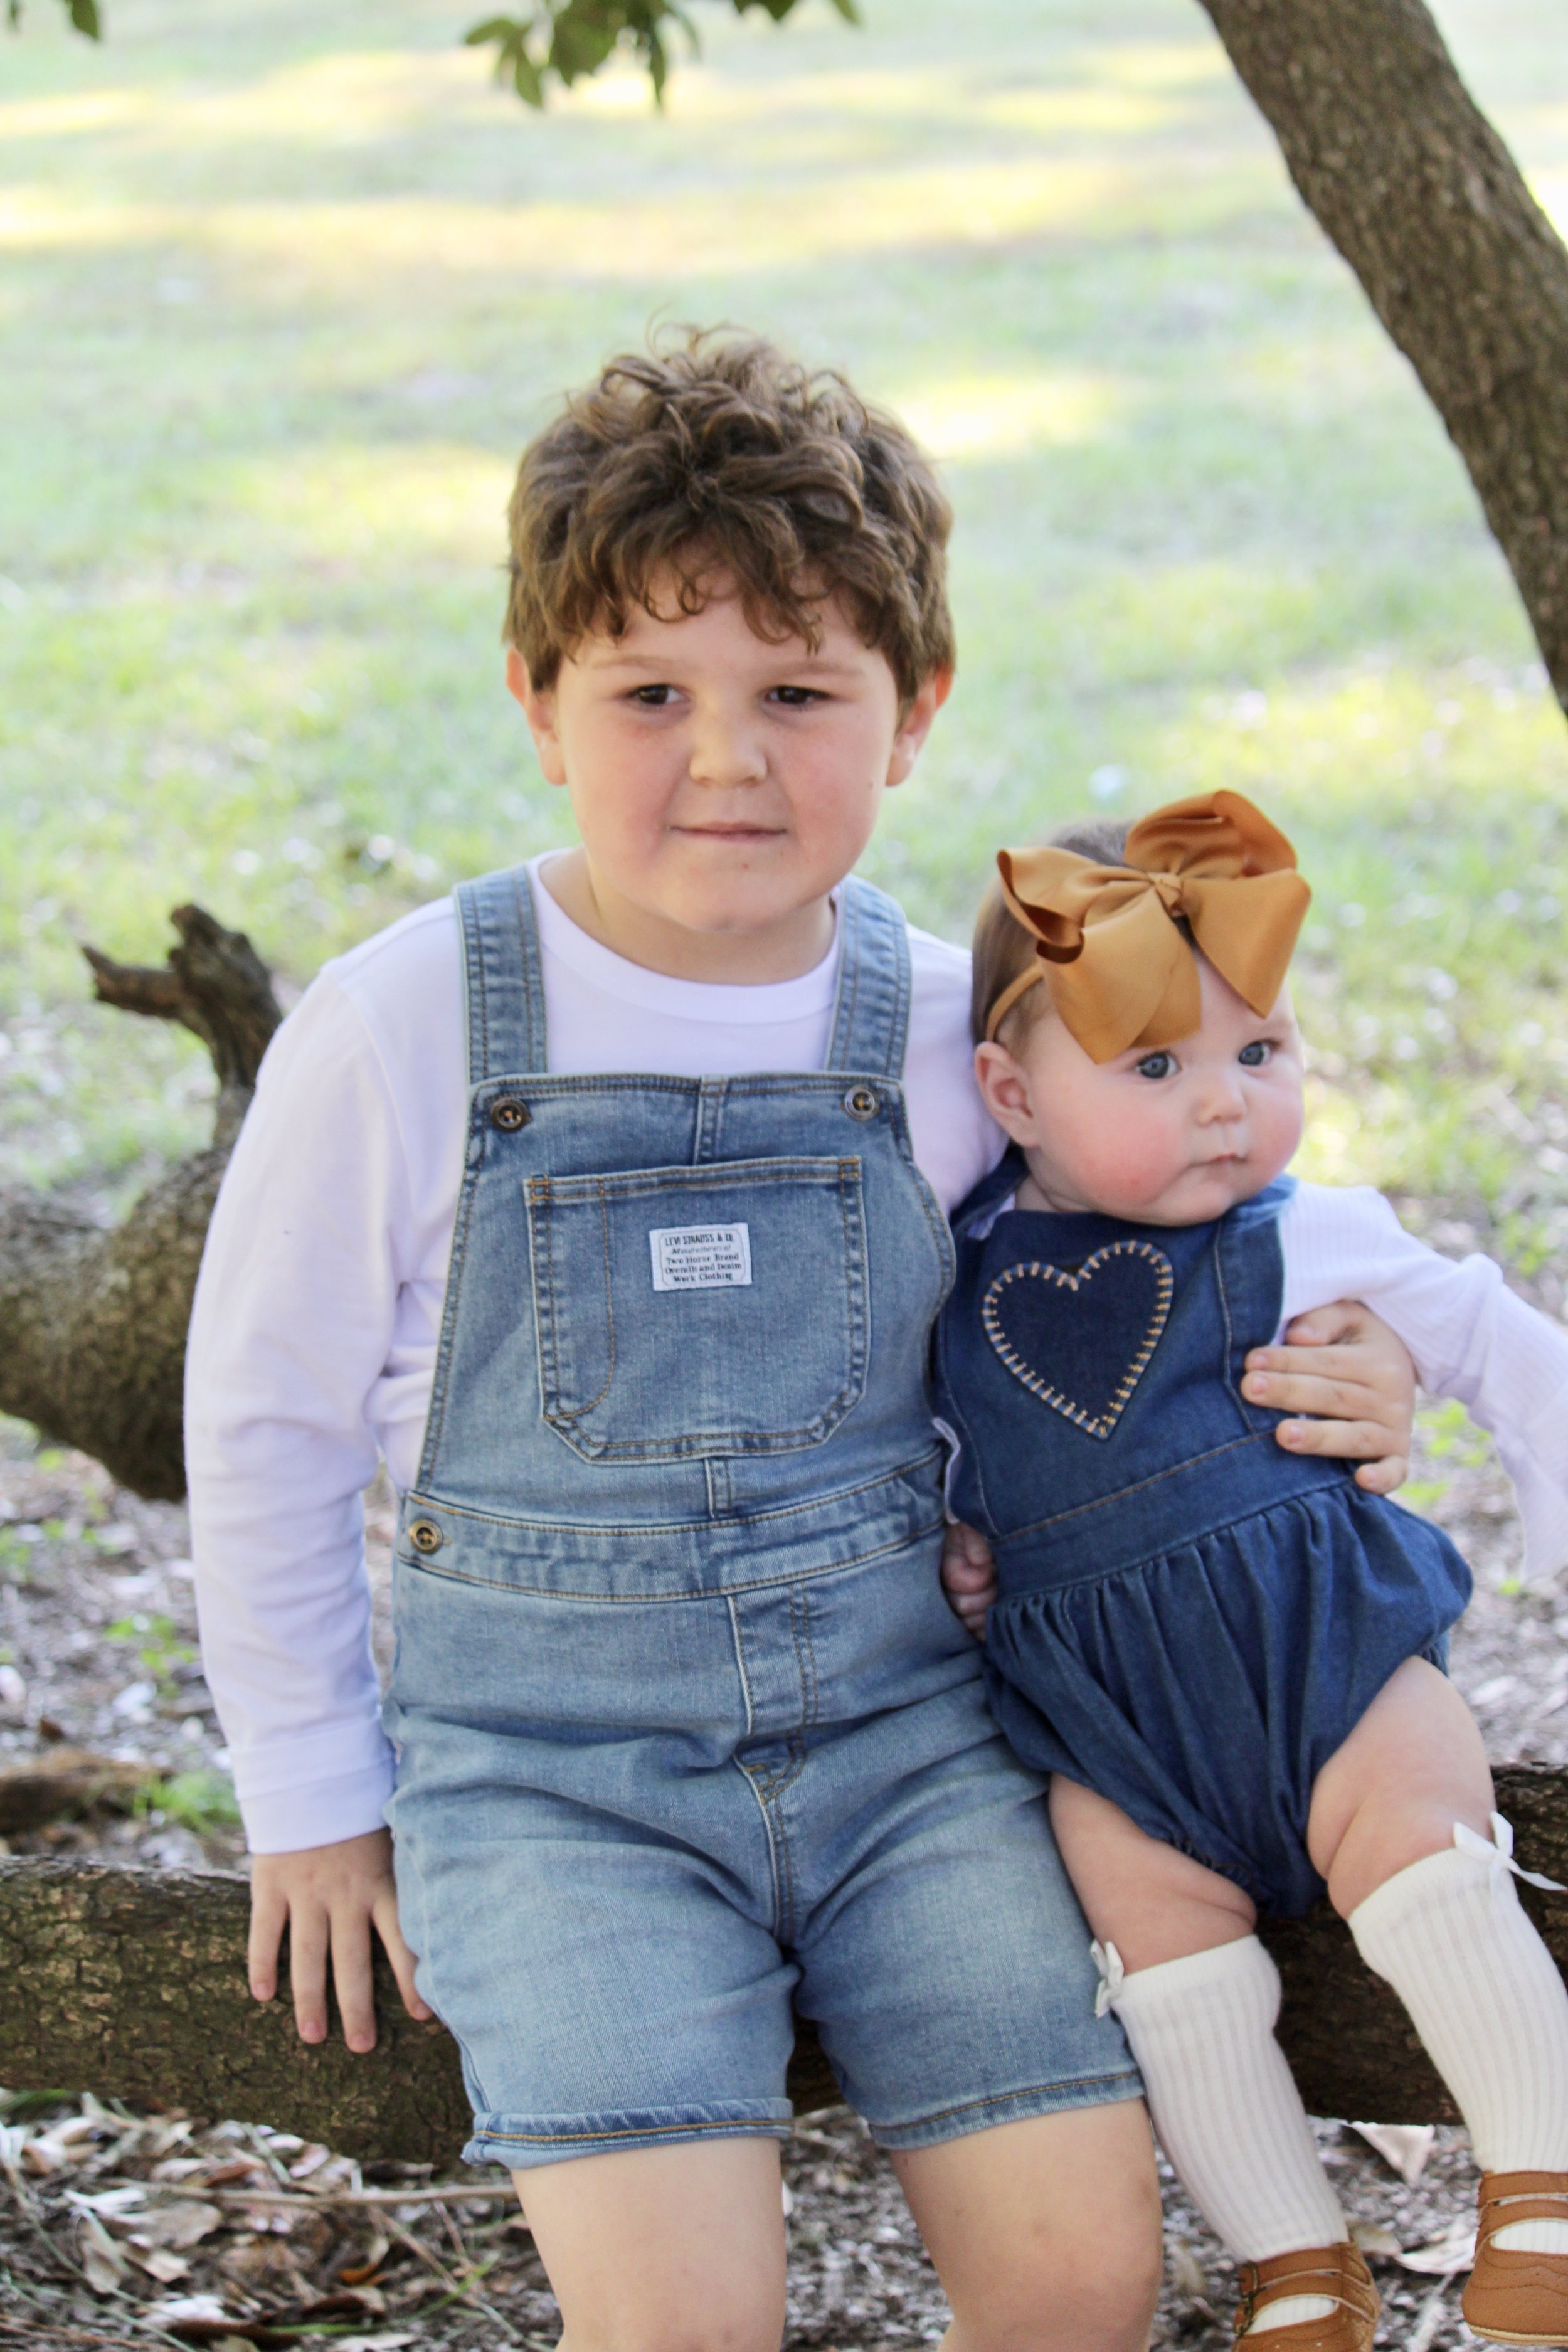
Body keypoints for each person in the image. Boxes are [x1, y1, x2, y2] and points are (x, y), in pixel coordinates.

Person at [185, 334, 1417, 2352]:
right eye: (648, 693)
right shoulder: (410, 1024)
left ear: (914, 710)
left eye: (796, 692)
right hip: (556, 1786)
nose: (726, 761)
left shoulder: (953, 1033)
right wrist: (311, 1791)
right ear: (535, 702)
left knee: (1081, 2278)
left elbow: (1182, 1254)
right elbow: (265, 1421)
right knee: (683, 2323)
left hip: (909, 1754)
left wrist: (1362, 1366)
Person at [935, 788, 1568, 2352]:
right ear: (1010, 1093)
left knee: (1426, 1855)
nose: (1224, 1105)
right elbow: (930, 1470)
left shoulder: (1306, 1237)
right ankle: (1290, 2266)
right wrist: (956, 1557)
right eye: (1154, 1067)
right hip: (1113, 1731)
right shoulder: (946, 1286)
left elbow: (1497, 1342)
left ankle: (1538, 2196)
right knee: (1167, 1974)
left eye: (1258, 1052)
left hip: (1323, 1655)